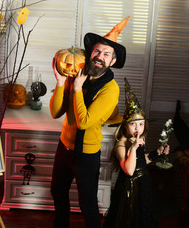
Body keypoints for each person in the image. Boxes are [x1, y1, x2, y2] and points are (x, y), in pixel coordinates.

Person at [49, 16, 130, 228]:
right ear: (90, 52)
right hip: (64, 147)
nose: (99, 57)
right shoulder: (76, 74)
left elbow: (84, 122)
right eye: (96, 51)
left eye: (106, 54)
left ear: (112, 61)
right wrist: (60, 83)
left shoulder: (110, 89)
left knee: (87, 204)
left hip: (86, 154)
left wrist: (76, 89)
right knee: (57, 193)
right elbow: (56, 112)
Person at [103, 78, 170, 228]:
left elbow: (142, 161)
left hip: (143, 183)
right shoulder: (121, 145)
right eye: (133, 124)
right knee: (129, 219)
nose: (137, 128)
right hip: (129, 189)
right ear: (125, 126)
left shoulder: (139, 140)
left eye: (141, 124)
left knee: (144, 217)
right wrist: (132, 148)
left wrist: (157, 153)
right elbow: (129, 169)